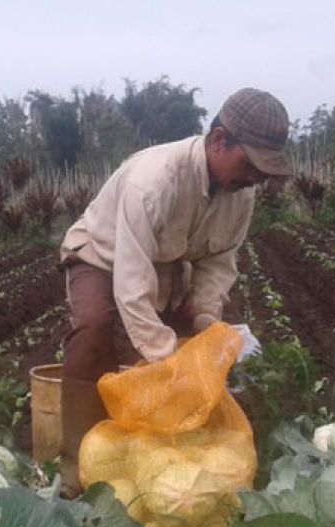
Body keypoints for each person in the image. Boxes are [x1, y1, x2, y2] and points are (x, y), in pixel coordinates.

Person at [55, 87, 294, 497]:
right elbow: (131, 279)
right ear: (219, 140)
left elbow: (220, 259)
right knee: (96, 331)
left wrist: (204, 317)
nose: (256, 178)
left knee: (187, 344)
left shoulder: (242, 193)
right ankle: (75, 471)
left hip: (168, 263)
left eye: (264, 170)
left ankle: (164, 463)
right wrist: (160, 351)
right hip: (104, 253)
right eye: (251, 164)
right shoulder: (153, 181)